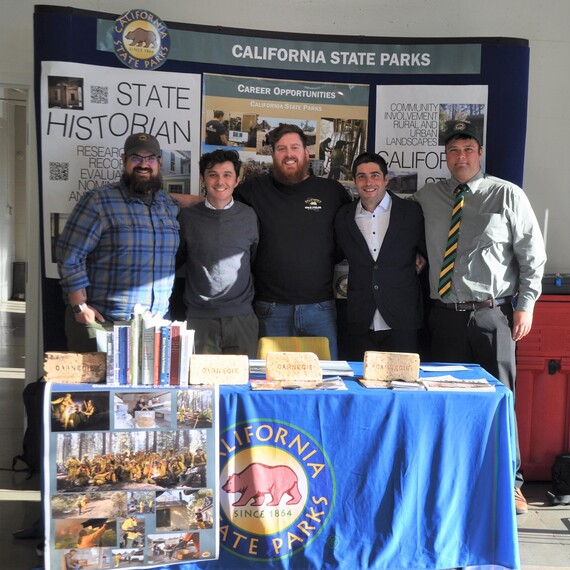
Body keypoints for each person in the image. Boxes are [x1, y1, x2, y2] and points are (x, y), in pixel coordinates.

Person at [411, 119, 547, 515]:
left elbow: (532, 256)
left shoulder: (507, 195)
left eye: (468, 149)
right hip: (445, 317)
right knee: (445, 400)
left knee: (500, 400)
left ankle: (511, 482)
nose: (461, 157)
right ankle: (453, 477)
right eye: (453, 151)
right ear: (445, 156)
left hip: (493, 316)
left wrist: (526, 305)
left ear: (480, 153)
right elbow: (410, 237)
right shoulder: (428, 196)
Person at [234, 123, 352, 359]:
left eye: (295, 147)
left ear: (306, 153)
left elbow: (352, 236)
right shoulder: (252, 191)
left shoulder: (332, 192)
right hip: (269, 309)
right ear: (273, 154)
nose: (289, 154)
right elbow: (219, 206)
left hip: (320, 308)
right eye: (281, 149)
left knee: (325, 383)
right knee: (270, 384)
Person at [56, 132, 181, 352]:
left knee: (146, 389)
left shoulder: (167, 204)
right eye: (136, 158)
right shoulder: (99, 200)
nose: (144, 164)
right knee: (100, 388)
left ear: (159, 162)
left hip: (155, 325)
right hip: (104, 324)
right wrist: (79, 306)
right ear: (124, 160)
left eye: (150, 158)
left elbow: (191, 202)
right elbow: (69, 254)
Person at [335, 152, 426, 359]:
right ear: (355, 180)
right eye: (361, 176)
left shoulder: (411, 212)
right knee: (363, 385)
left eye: (375, 175)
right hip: (361, 318)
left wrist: (421, 256)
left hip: (402, 318)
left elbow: (426, 248)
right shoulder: (344, 216)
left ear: (386, 179)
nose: (368, 182)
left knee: (404, 385)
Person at [177, 149, 259, 357]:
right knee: (200, 386)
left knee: (242, 384)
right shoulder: (187, 217)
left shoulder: (249, 215)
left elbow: (255, 258)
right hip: (200, 318)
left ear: (237, 180)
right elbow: (178, 260)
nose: (220, 181)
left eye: (227, 175)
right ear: (203, 178)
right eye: (213, 174)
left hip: (241, 318)